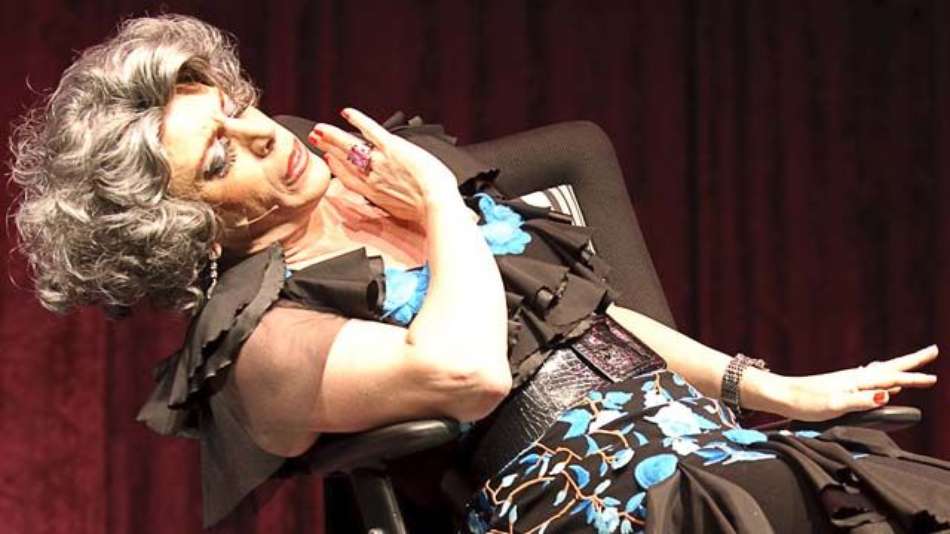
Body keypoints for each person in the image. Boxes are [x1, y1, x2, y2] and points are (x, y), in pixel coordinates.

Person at [9, 14, 948, 534]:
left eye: (236, 109)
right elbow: (468, 370)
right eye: (218, 159)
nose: (260, 136)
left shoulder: (377, 205)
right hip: (584, 506)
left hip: (707, 451)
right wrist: (439, 201)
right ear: (179, 227)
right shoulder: (263, 351)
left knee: (884, 493)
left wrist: (770, 388)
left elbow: (585, 321)